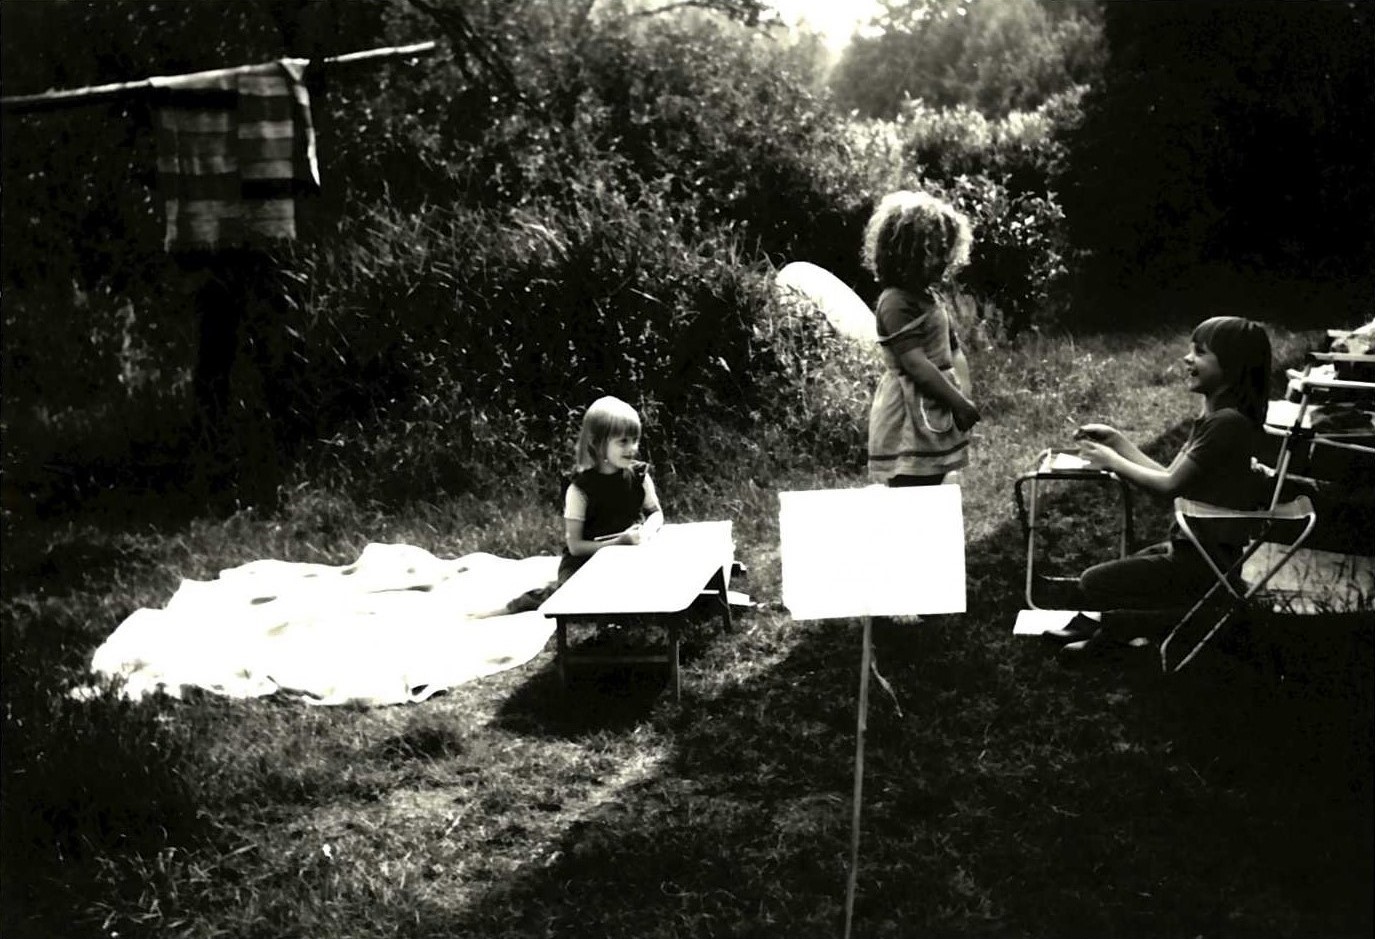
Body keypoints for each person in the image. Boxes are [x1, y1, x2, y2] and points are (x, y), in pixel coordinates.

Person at [1050, 315, 1273, 660]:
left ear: (1231, 366)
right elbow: (1171, 476)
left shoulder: (1225, 424)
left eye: (1199, 353)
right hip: (1197, 551)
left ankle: (1133, 629)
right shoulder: (1217, 419)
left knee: (1095, 582)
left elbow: (1167, 488)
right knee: (1127, 571)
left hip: (1203, 560)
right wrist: (1119, 442)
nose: (1187, 359)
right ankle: (1123, 628)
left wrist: (1112, 461)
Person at [861, 190, 981, 487]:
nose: (943, 261)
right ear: (908, 252)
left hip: (938, 404)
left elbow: (953, 349)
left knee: (936, 479)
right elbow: (915, 364)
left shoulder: (928, 297)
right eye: (935, 252)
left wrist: (962, 393)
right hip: (909, 414)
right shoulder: (895, 302)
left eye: (946, 252)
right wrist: (957, 402)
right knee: (912, 481)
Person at [558, 395, 665, 583]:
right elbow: (575, 546)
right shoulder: (580, 489)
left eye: (635, 440)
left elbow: (656, 513)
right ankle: (538, 596)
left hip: (628, 557)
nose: (632, 448)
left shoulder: (639, 476)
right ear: (597, 443)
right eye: (623, 441)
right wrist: (616, 544)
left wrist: (646, 531)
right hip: (586, 563)